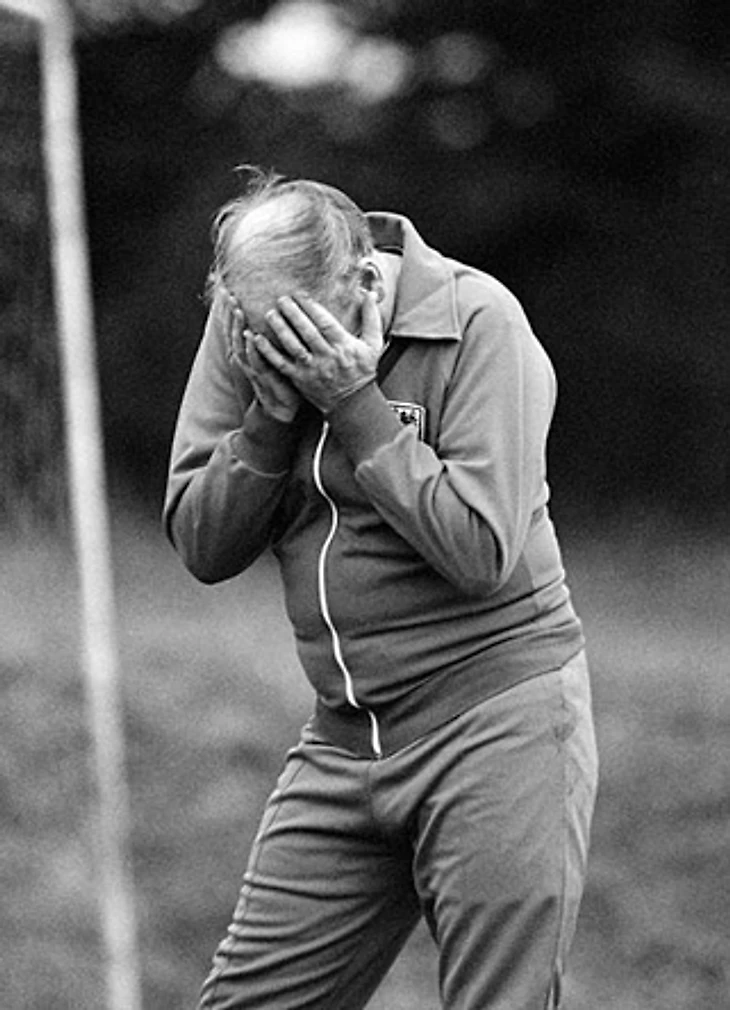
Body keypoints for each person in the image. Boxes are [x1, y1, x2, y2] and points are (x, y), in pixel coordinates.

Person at [163, 168, 599, 1010]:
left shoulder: (480, 322)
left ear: (364, 283)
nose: (281, 350)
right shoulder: (247, 324)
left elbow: (480, 552)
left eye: (302, 331)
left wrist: (354, 403)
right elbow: (202, 544)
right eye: (259, 330)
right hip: (346, 735)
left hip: (496, 722)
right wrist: (269, 420)